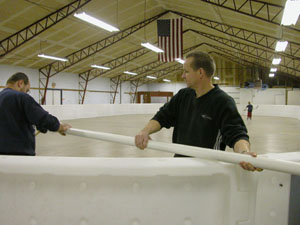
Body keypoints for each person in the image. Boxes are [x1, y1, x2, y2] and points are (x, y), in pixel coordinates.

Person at [135, 51, 261, 172]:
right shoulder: (183, 96)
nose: (183, 75)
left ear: (200, 72)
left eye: (186, 71)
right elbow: (162, 116)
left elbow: (236, 133)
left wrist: (244, 153)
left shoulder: (222, 101)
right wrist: (145, 131)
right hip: (179, 166)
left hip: (206, 171)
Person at [0, 72, 71, 156]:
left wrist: (42, 127)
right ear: (20, 83)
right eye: (27, 90)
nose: (26, 93)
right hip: (19, 154)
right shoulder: (22, 97)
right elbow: (42, 118)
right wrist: (59, 126)